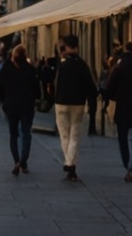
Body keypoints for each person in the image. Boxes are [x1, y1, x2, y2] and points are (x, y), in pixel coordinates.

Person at [103, 41, 132, 182]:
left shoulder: (119, 69)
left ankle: (128, 165)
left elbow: (110, 88)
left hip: (123, 108)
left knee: (123, 139)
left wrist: (110, 97)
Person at [52, 33, 96, 182]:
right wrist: (92, 103)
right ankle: (70, 163)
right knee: (75, 135)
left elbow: (55, 84)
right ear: (77, 47)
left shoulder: (62, 65)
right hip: (77, 103)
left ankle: (69, 163)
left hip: (61, 103)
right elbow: (90, 86)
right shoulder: (82, 65)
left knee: (64, 135)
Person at [0, 43, 39, 175]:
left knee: (13, 134)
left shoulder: (6, 69)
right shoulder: (30, 69)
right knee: (26, 133)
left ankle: (16, 161)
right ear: (25, 56)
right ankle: (23, 161)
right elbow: (36, 89)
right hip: (27, 106)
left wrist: (3, 101)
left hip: (11, 106)